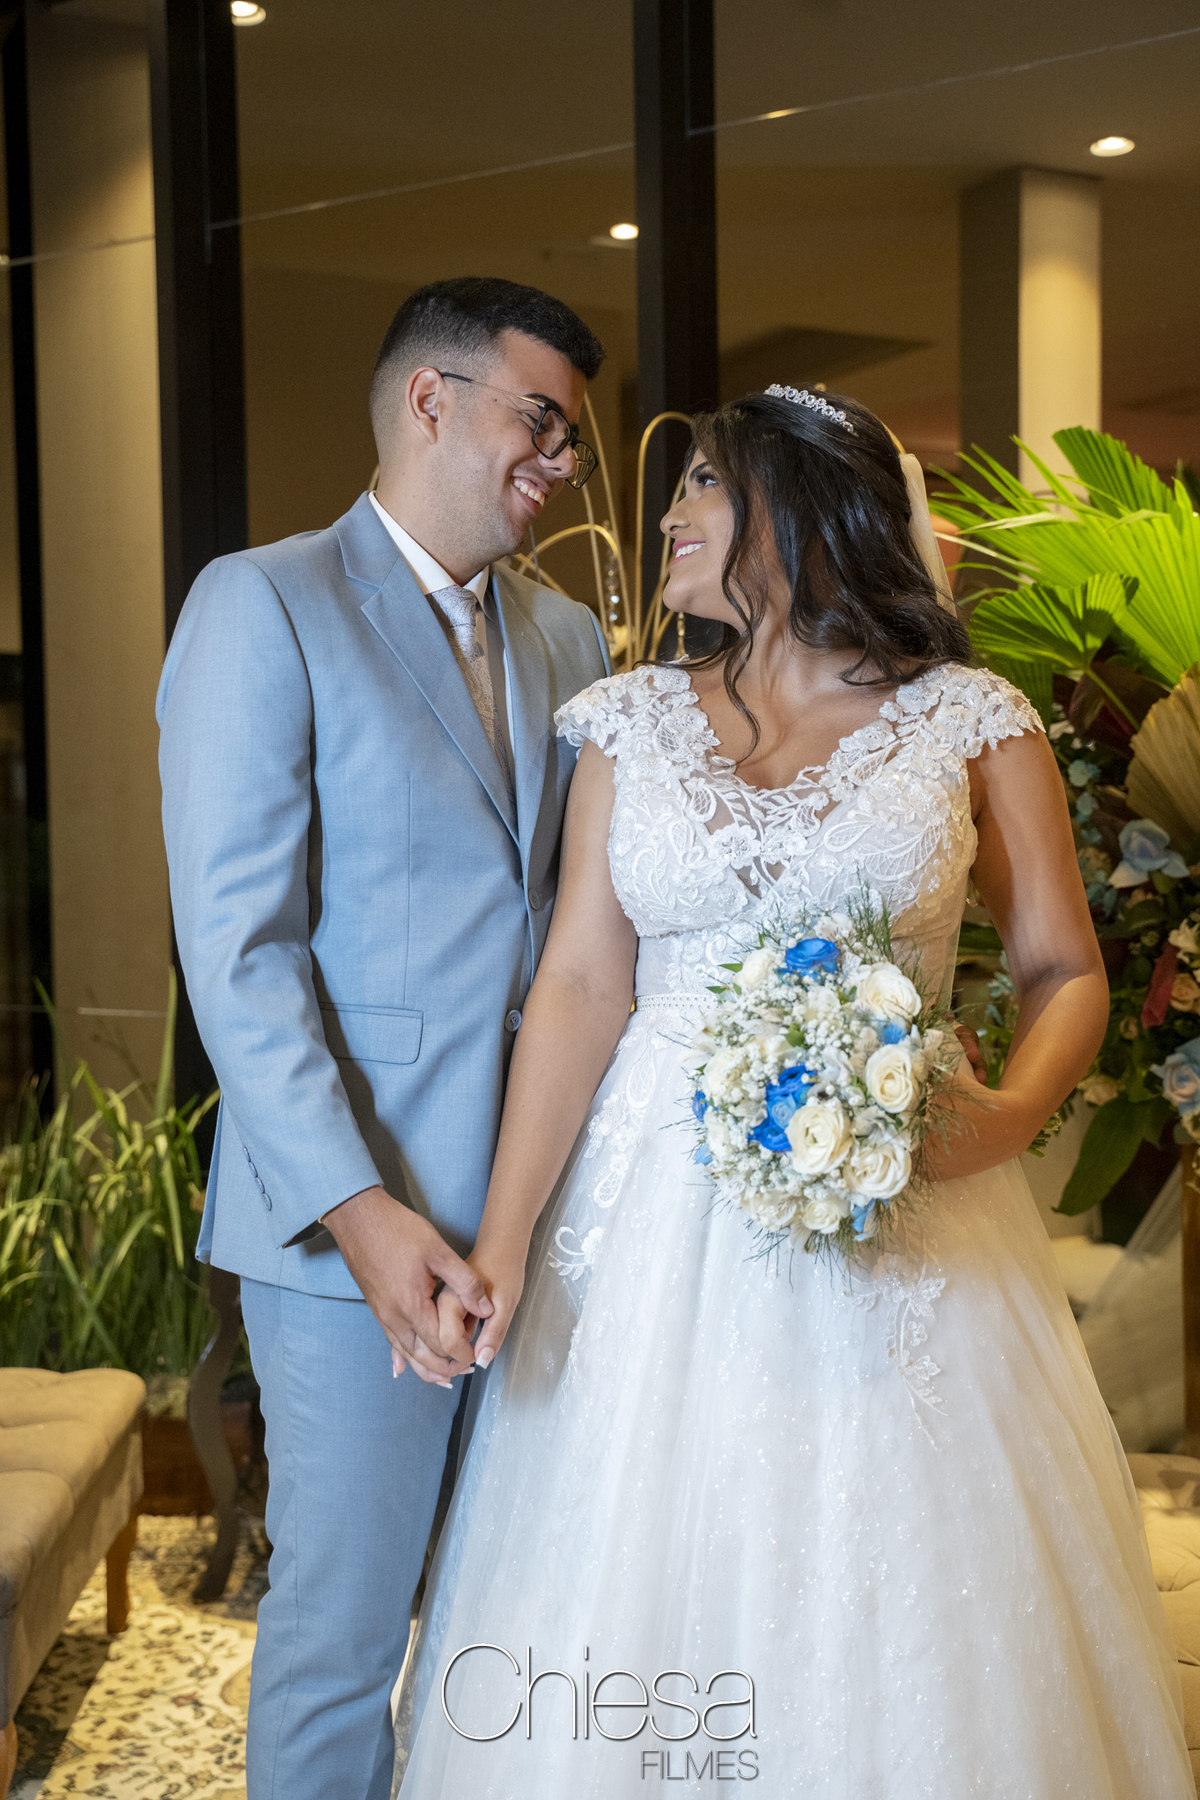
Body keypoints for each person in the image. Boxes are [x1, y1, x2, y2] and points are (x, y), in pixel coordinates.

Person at [394, 386, 1193, 1796]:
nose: (672, 513)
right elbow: (580, 986)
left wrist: (1005, 1119)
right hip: (645, 1233)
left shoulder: (970, 721)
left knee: (897, 1589)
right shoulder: (630, 722)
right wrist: (505, 1240)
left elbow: (1064, 967)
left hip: (909, 1216)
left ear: (808, 509)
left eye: (706, 483)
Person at [156, 276, 609, 1800]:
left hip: (544, 1228)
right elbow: (241, 958)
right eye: (541, 421)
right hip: (352, 1234)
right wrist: (361, 1215)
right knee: (342, 1645)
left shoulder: (569, 637)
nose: (562, 462)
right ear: (431, 399)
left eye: (571, 435)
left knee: (509, 1637)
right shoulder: (263, 604)